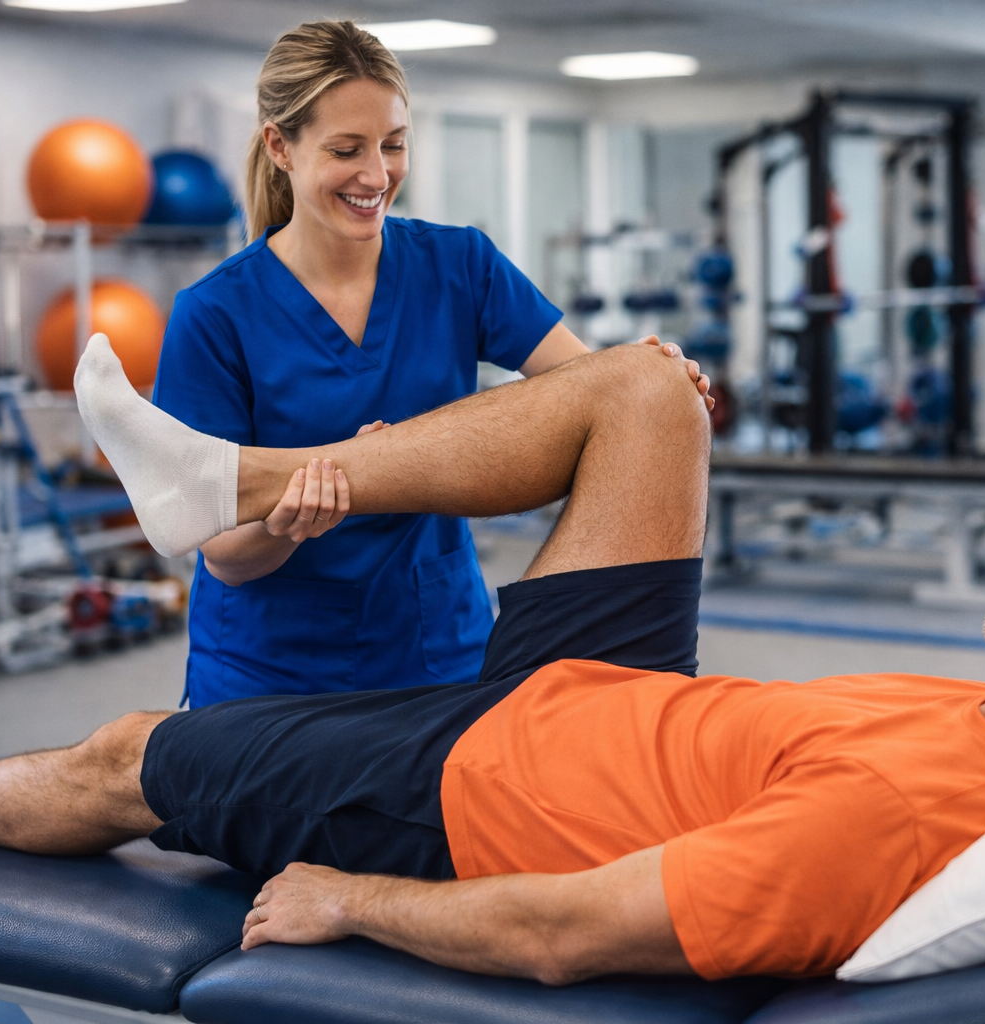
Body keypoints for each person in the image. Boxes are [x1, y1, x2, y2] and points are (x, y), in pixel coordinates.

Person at [0, 338, 985, 983]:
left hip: (472, 792)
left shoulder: (904, 823)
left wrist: (356, 899)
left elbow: (569, 935)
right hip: (615, 701)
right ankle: (235, 487)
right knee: (652, 395)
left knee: (129, 753)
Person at [151, 20, 710, 705]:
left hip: (436, 648)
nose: (377, 175)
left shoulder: (459, 265)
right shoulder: (214, 313)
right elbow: (224, 555)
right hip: (271, 674)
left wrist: (648, 388)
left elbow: (584, 397)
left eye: (394, 145)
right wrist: (283, 522)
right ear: (280, 146)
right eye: (346, 149)